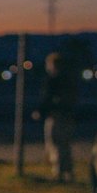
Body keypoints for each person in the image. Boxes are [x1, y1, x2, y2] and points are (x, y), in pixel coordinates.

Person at [34, 52, 78, 182]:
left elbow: (47, 97)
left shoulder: (52, 80)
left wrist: (40, 111)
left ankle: (58, 172)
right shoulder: (69, 80)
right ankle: (68, 171)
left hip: (55, 115)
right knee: (65, 144)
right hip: (68, 115)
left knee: (55, 143)